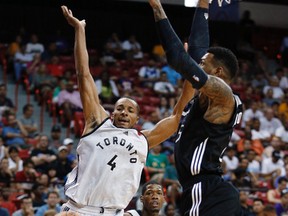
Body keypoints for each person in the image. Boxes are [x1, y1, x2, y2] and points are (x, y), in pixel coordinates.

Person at [60, 5, 194, 216]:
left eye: (130, 110)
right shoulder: (97, 123)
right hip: (79, 210)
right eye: (120, 108)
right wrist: (80, 30)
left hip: (116, 212)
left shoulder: (143, 140)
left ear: (137, 118)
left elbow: (178, 114)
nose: (124, 112)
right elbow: (83, 74)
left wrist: (190, 70)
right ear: (112, 113)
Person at [148, 0, 243, 215]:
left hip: (206, 189)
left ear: (218, 72)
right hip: (204, 189)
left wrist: (157, 8)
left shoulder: (224, 95)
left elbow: (178, 59)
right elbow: (198, 48)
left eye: (203, 63)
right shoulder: (208, 94)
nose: (198, 64)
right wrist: (203, 3)